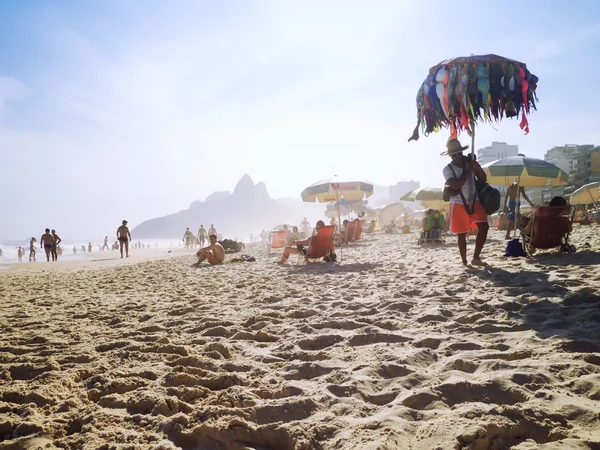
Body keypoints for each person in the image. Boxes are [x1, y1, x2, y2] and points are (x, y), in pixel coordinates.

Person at [442, 138, 489, 266]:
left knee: (484, 226)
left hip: (474, 200)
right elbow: (456, 185)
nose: (458, 157)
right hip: (457, 203)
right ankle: (464, 261)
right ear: (451, 156)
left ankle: (476, 258)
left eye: (460, 153)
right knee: (461, 234)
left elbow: (483, 179)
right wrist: (469, 172)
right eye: (455, 155)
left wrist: (477, 168)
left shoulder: (470, 164)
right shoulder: (447, 170)